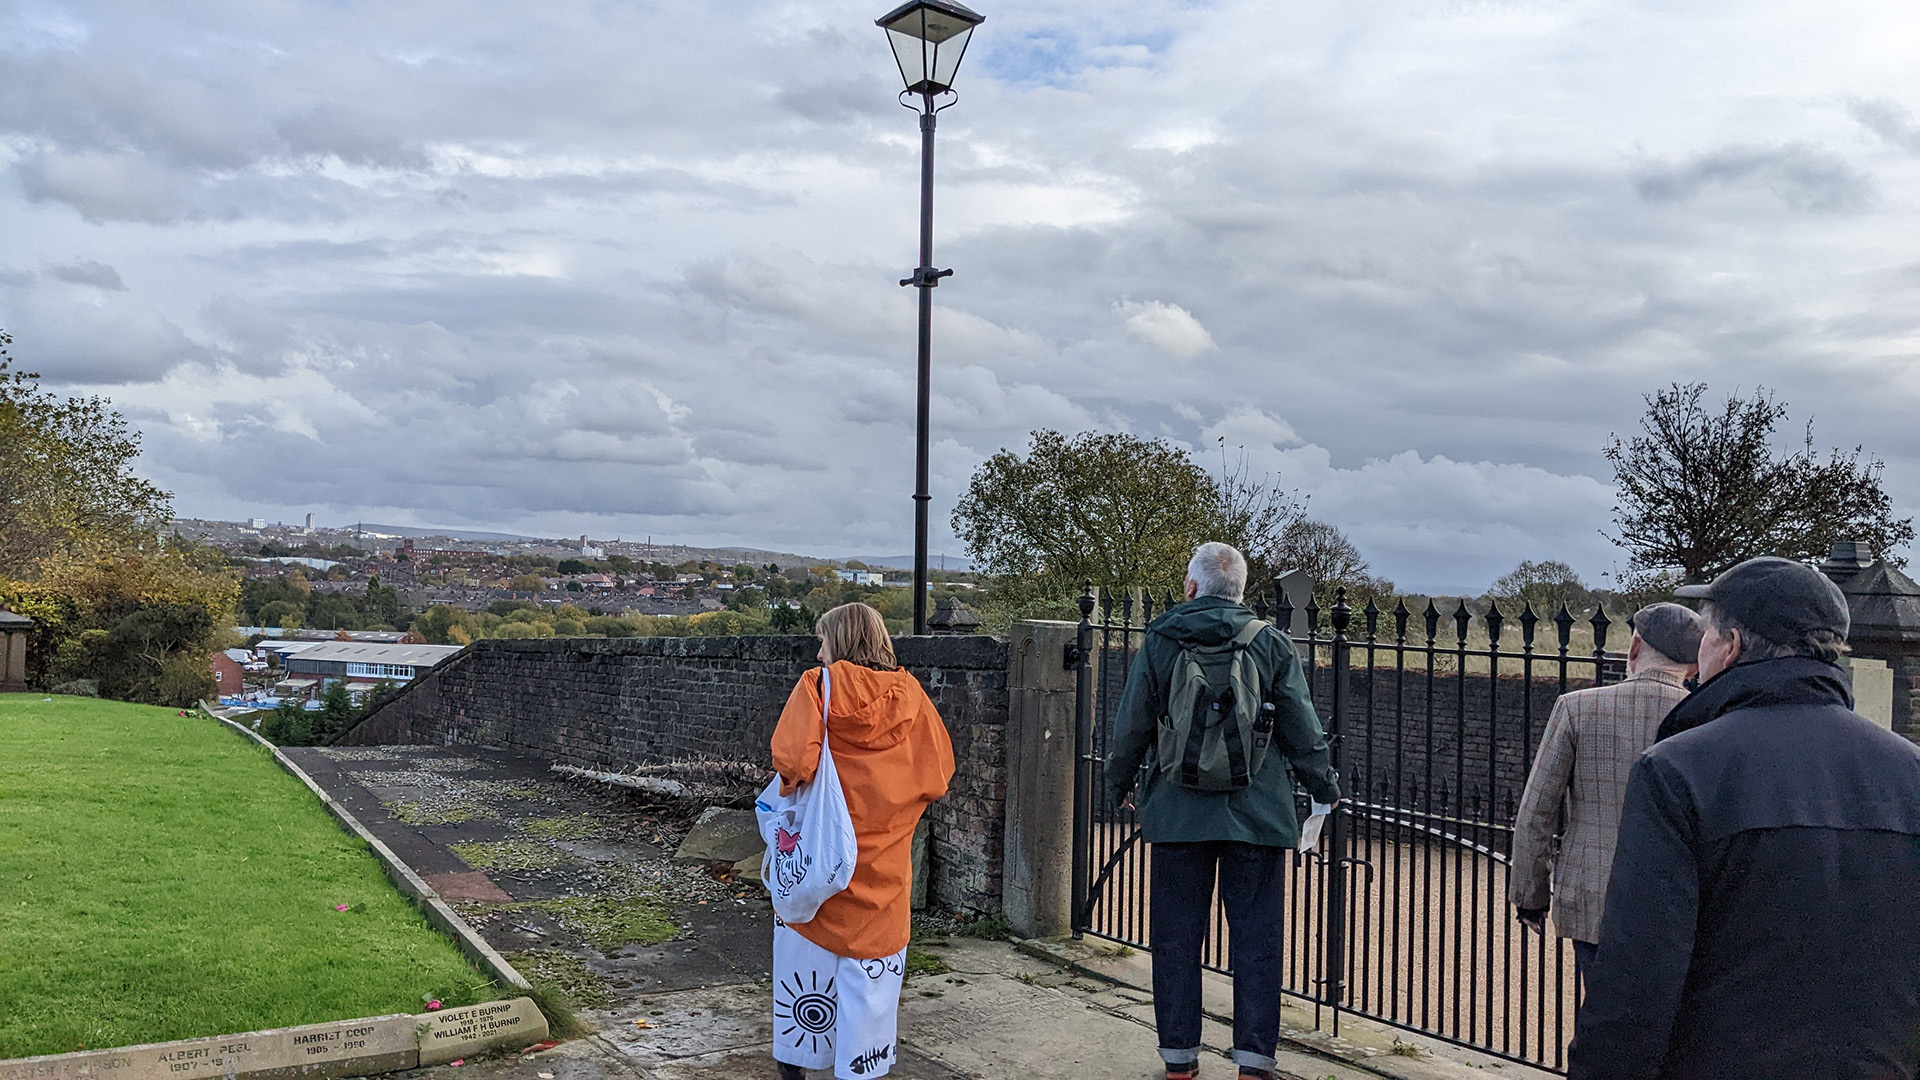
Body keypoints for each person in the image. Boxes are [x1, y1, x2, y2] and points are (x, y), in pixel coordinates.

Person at [1570, 557, 1920, 1079]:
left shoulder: (1677, 770)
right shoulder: (1909, 772)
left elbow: (1637, 981)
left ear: (1730, 646)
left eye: (1707, 634)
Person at [1104, 542, 1342, 1080]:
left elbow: (1133, 723)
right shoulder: (1270, 644)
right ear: (1240, 593)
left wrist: (1117, 783)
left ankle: (1180, 1062)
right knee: (1256, 942)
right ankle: (1253, 1064)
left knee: (1175, 940)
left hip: (1178, 813)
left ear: (1191, 587)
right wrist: (1323, 790)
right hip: (1256, 816)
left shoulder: (1161, 639)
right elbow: (1302, 730)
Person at [768, 603, 955, 1080]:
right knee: (869, 1007)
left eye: (824, 641)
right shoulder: (913, 698)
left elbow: (792, 764)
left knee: (802, 997)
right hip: (884, 877)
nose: (818, 650)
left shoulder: (818, 687)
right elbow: (938, 776)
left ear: (841, 643)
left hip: (819, 876)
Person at [1507, 603, 1701, 984]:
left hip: (1594, 899)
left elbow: (1536, 813)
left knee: (1603, 1015)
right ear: (1693, 666)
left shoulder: (1578, 708)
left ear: (1634, 648)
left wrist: (1530, 898)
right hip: (1679, 908)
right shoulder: (1708, 719)